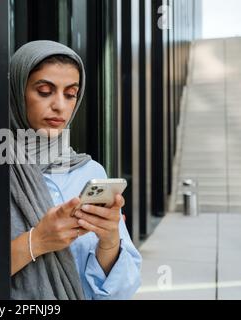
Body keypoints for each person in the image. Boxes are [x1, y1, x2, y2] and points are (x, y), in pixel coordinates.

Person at [9, 40, 142, 300]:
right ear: (15, 92)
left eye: (70, 94)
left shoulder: (89, 171)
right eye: (45, 91)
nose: (60, 105)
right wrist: (37, 241)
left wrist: (110, 240)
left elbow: (119, 292)